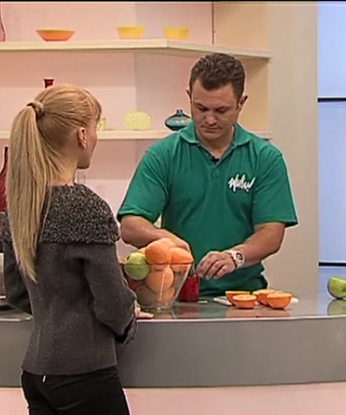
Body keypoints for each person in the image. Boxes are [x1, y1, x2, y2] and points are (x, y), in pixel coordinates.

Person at [2, 84, 150, 415]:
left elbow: (16, 291)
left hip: (37, 373)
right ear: (82, 135)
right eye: (96, 127)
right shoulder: (83, 206)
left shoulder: (22, 205)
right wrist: (130, 316)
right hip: (85, 375)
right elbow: (113, 305)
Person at [117, 53, 298, 297]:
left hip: (243, 297)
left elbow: (271, 234)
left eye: (221, 110)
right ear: (189, 97)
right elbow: (130, 225)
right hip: (176, 295)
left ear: (241, 103)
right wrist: (165, 239)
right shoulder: (163, 155)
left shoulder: (265, 158)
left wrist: (235, 256)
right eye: (201, 108)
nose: (210, 119)